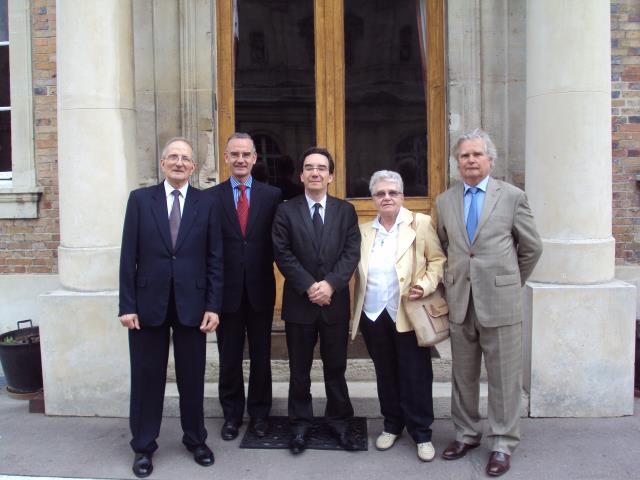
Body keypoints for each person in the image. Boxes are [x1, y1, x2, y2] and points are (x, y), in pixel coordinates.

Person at [436, 129, 542, 477]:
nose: (470, 160)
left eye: (476, 155)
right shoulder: (445, 200)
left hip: (500, 301)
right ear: (457, 162)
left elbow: (531, 248)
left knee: (503, 377)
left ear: (490, 160)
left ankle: (502, 442)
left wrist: (510, 283)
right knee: (463, 377)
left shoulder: (511, 197)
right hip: (461, 301)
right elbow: (445, 247)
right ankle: (466, 434)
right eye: (464, 155)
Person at [119, 137, 223, 478]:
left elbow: (215, 259)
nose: (179, 163)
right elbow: (128, 257)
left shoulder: (206, 204)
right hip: (148, 306)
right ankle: (144, 446)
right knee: (147, 379)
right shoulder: (140, 200)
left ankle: (196, 440)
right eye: (173, 157)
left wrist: (213, 306)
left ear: (193, 167)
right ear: (162, 164)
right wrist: (127, 305)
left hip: (193, 305)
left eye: (186, 159)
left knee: (192, 378)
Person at [272, 147, 361, 454]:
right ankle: (299, 425)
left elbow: (351, 252)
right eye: (309, 167)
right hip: (300, 304)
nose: (315, 173)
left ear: (330, 176)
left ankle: (339, 422)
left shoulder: (345, 211)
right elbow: (282, 252)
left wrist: (331, 285)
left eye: (321, 168)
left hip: (334, 304)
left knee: (336, 368)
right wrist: (310, 286)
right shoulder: (286, 210)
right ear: (301, 175)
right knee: (299, 370)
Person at [352, 170, 446, 462]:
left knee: (415, 373)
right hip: (373, 312)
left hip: (408, 312)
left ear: (402, 196)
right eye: (380, 193)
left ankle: (421, 433)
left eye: (392, 192)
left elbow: (438, 260)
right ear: (373, 199)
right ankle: (392, 424)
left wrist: (425, 285)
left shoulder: (420, 223)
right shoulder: (365, 230)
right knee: (385, 372)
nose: (387, 197)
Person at [209, 133, 282, 441]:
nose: (240, 159)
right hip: (225, 292)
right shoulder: (210, 198)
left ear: (255, 159)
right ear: (226, 158)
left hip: (260, 289)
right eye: (234, 154)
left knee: (262, 356)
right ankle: (232, 414)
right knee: (229, 357)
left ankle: (261, 414)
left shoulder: (272, 196)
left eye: (246, 154)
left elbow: (280, 242)